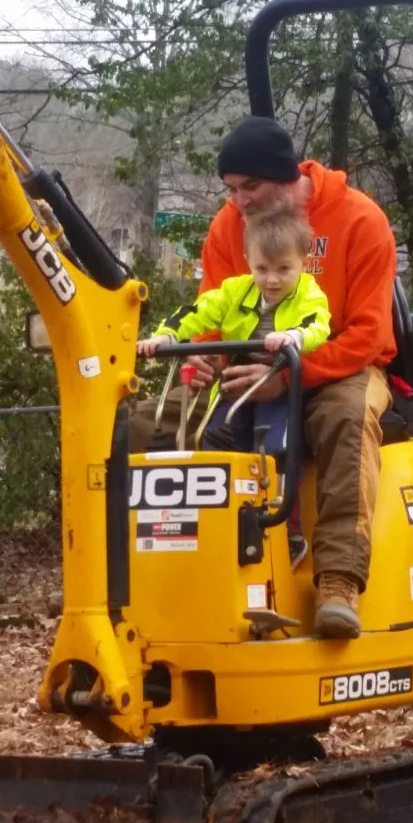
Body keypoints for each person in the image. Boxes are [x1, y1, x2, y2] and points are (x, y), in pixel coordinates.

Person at [130, 115, 397, 640]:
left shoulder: (360, 221)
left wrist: (293, 376)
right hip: (244, 367)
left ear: (286, 174)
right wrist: (201, 359)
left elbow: (368, 333)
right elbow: (211, 311)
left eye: (250, 186)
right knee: (144, 426)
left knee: (348, 417)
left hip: (336, 365)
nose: (240, 201)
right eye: (231, 189)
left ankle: (338, 582)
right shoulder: (227, 228)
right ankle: (152, 577)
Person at [138, 207, 331, 569]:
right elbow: (195, 311)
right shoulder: (234, 291)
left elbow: (318, 323)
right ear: (248, 262)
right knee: (216, 440)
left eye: (283, 270)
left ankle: (289, 534)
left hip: (278, 381)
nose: (272, 280)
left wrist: (293, 337)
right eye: (262, 270)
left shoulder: (308, 293)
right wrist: (165, 335)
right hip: (239, 381)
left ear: (302, 263)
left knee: (275, 449)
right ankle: (220, 526)